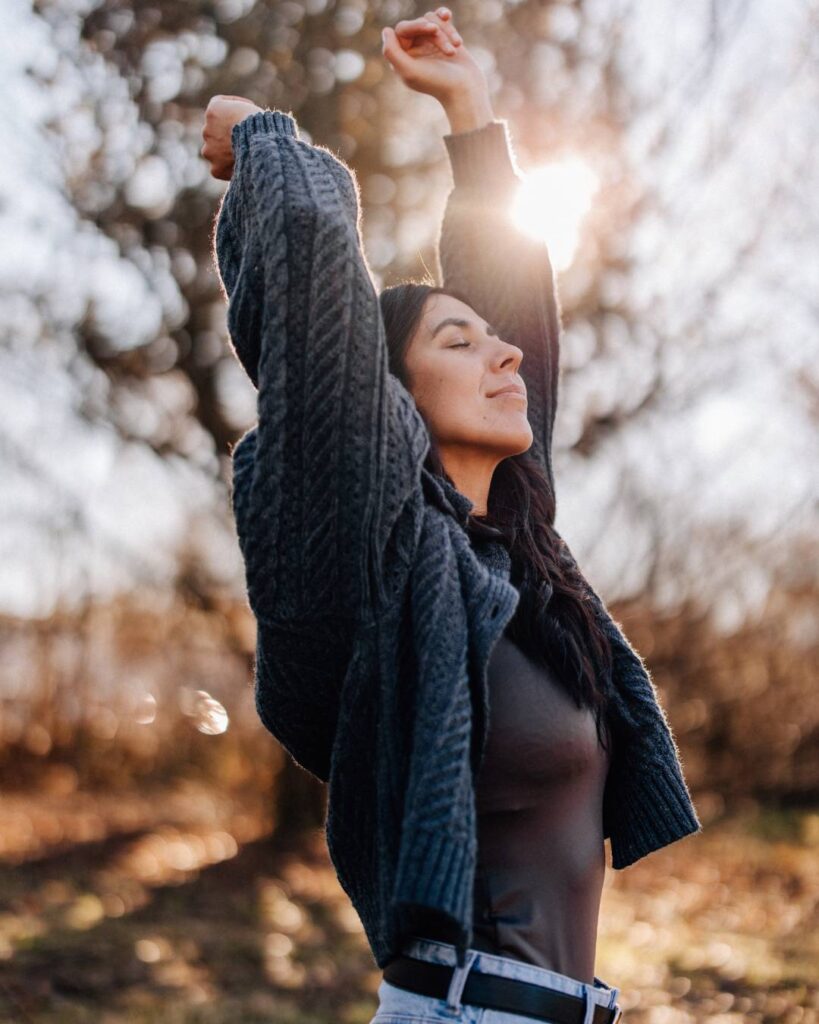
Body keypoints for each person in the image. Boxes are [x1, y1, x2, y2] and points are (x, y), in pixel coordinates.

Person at [201, 9, 701, 1023]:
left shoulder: (515, 559)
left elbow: (519, 321)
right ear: (389, 401)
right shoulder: (376, 561)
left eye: (492, 338)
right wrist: (263, 141)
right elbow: (315, 295)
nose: (504, 352)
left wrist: (471, 112)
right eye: (457, 344)